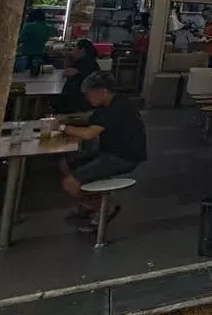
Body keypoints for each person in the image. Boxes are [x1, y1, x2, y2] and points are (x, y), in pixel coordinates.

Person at [58, 72, 147, 231]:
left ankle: (104, 209)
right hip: (112, 152)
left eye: (89, 93)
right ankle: (89, 205)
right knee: (67, 163)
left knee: (70, 183)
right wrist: (69, 120)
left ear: (103, 91)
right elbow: (91, 120)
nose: (87, 98)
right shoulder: (111, 104)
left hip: (122, 157)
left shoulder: (115, 108)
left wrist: (62, 127)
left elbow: (88, 134)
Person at [51, 39, 99, 115]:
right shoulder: (91, 61)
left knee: (53, 100)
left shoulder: (84, 61)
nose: (72, 50)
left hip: (78, 104)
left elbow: (67, 72)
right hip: (86, 102)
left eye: (74, 48)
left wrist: (68, 56)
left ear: (82, 50)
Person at [18, 8, 54, 74]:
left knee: (24, 75)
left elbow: (20, 39)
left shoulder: (28, 26)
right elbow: (53, 36)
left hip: (26, 55)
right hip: (40, 55)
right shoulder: (48, 27)